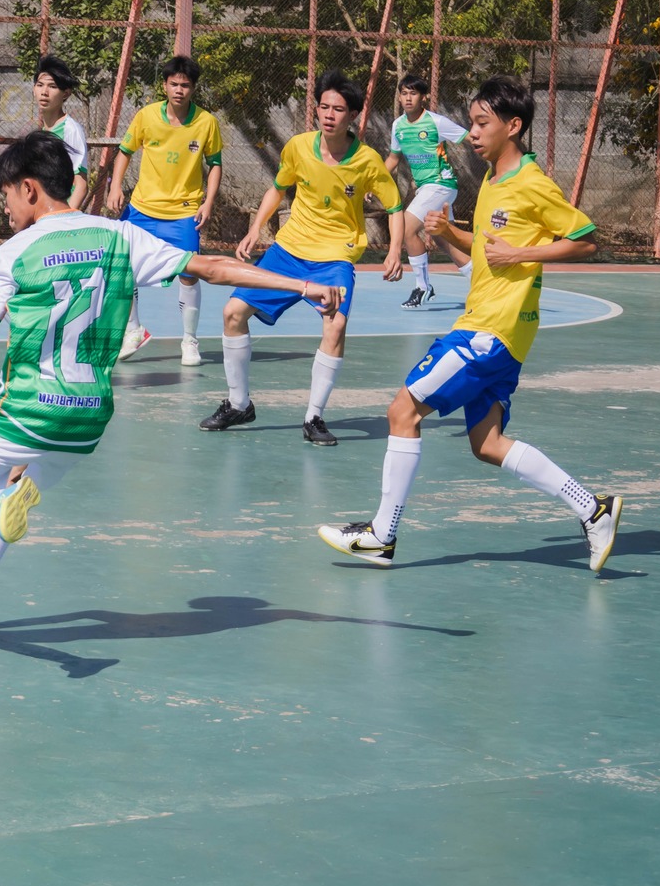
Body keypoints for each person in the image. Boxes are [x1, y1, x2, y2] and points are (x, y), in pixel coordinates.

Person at [0, 130, 345, 634]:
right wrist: (302, 285)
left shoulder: (14, 253)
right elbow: (211, 266)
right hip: (85, 420)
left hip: (25, 410)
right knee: (13, 484)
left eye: (6, 194)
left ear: (30, 189)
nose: (6, 207)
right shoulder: (119, 236)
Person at [317, 76, 623, 573]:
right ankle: (594, 509)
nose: (473, 133)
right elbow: (484, 247)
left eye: (483, 123)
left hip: (490, 330)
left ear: (513, 126)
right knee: (487, 444)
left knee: (402, 411)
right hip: (497, 331)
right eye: (473, 123)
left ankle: (381, 534)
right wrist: (447, 232)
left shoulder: (530, 182)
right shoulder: (493, 183)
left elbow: (587, 238)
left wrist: (523, 252)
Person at [199, 71, 405, 446]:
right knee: (232, 313)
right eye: (323, 106)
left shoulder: (368, 161)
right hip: (287, 252)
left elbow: (394, 206)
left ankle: (314, 418)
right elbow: (277, 190)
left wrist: (394, 250)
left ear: (353, 115)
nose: (328, 114)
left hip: (334, 259)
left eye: (338, 109)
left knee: (335, 327)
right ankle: (239, 404)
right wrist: (254, 230)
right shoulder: (296, 147)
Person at [106, 55, 224, 367]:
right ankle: (134, 330)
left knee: (189, 274)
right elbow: (124, 152)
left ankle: (189, 340)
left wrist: (208, 202)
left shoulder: (207, 123)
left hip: (184, 212)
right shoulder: (146, 116)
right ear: (165, 86)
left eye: (185, 85)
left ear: (193, 88)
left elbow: (214, 165)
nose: (179, 90)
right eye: (174, 84)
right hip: (142, 209)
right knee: (122, 269)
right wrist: (116, 187)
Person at [384, 74, 470, 308]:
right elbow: (393, 158)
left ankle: (423, 287)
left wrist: (498, 154)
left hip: (441, 184)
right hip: (428, 188)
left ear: (423, 97)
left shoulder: (436, 122)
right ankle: (482, 284)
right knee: (445, 239)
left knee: (407, 226)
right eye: (404, 93)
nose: (408, 98)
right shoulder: (398, 126)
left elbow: (469, 137)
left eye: (413, 93)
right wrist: (374, 182)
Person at [31, 54, 91, 210]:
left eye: (52, 86)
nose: (44, 92)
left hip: (59, 217)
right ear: (34, 89)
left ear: (66, 93)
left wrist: (64, 220)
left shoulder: (71, 130)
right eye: (40, 85)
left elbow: (81, 185)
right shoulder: (42, 132)